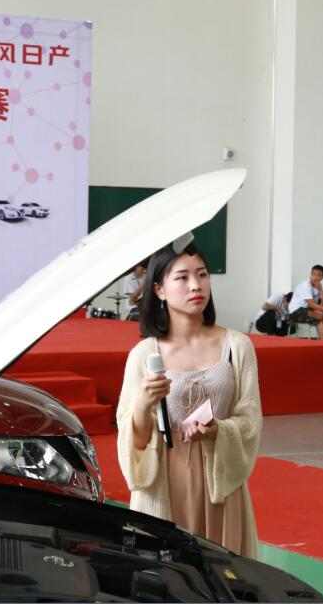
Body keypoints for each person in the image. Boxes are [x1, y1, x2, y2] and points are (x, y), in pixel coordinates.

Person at [115, 237, 262, 557]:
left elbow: (250, 420)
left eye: (202, 274)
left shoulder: (237, 346)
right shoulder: (144, 354)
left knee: (224, 572)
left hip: (220, 482)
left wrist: (219, 430)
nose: (196, 285)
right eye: (182, 277)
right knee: (167, 574)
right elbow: (133, 440)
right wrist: (143, 404)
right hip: (165, 483)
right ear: (159, 290)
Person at [287, 265, 323, 340]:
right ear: (310, 274)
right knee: (321, 315)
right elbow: (311, 304)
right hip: (295, 312)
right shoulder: (305, 285)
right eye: (313, 274)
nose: (315, 277)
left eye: (318, 275)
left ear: (322, 277)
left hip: (307, 310)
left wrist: (320, 290)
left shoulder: (321, 286)